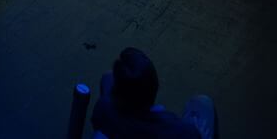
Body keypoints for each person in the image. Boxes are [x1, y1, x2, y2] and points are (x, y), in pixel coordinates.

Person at [89, 46, 218, 139]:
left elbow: (98, 120)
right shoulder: (177, 129)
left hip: (118, 125)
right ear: (155, 87)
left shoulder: (103, 108)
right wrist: (198, 134)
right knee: (203, 103)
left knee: (108, 77)